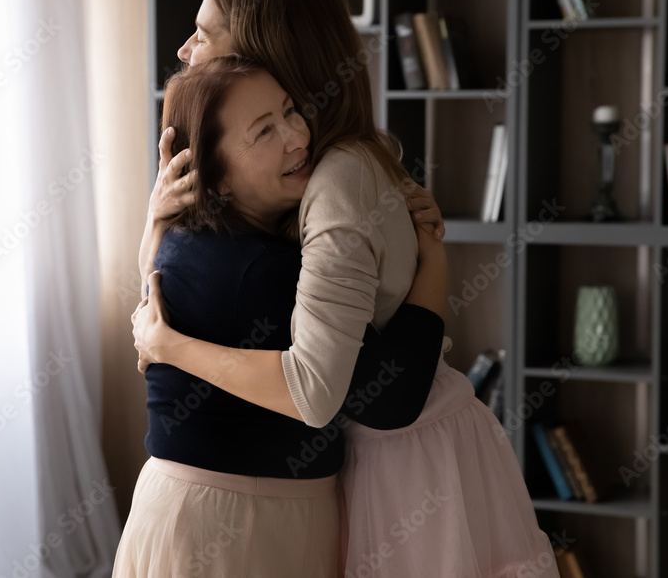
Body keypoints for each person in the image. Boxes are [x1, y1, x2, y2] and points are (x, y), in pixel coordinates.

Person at [132, 0, 558, 577]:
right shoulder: (307, 167)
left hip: (402, 457)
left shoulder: (334, 179)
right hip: (369, 451)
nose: (185, 51)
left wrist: (166, 344)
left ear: (262, 49)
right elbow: (169, 297)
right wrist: (155, 224)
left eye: (205, 33)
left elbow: (326, 389)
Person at [113, 56, 449, 577]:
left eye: (291, 111)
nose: (297, 136)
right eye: (264, 131)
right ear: (216, 178)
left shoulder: (186, 240)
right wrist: (433, 259)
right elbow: (391, 397)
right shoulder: (265, 273)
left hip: (205, 512)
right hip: (241, 526)